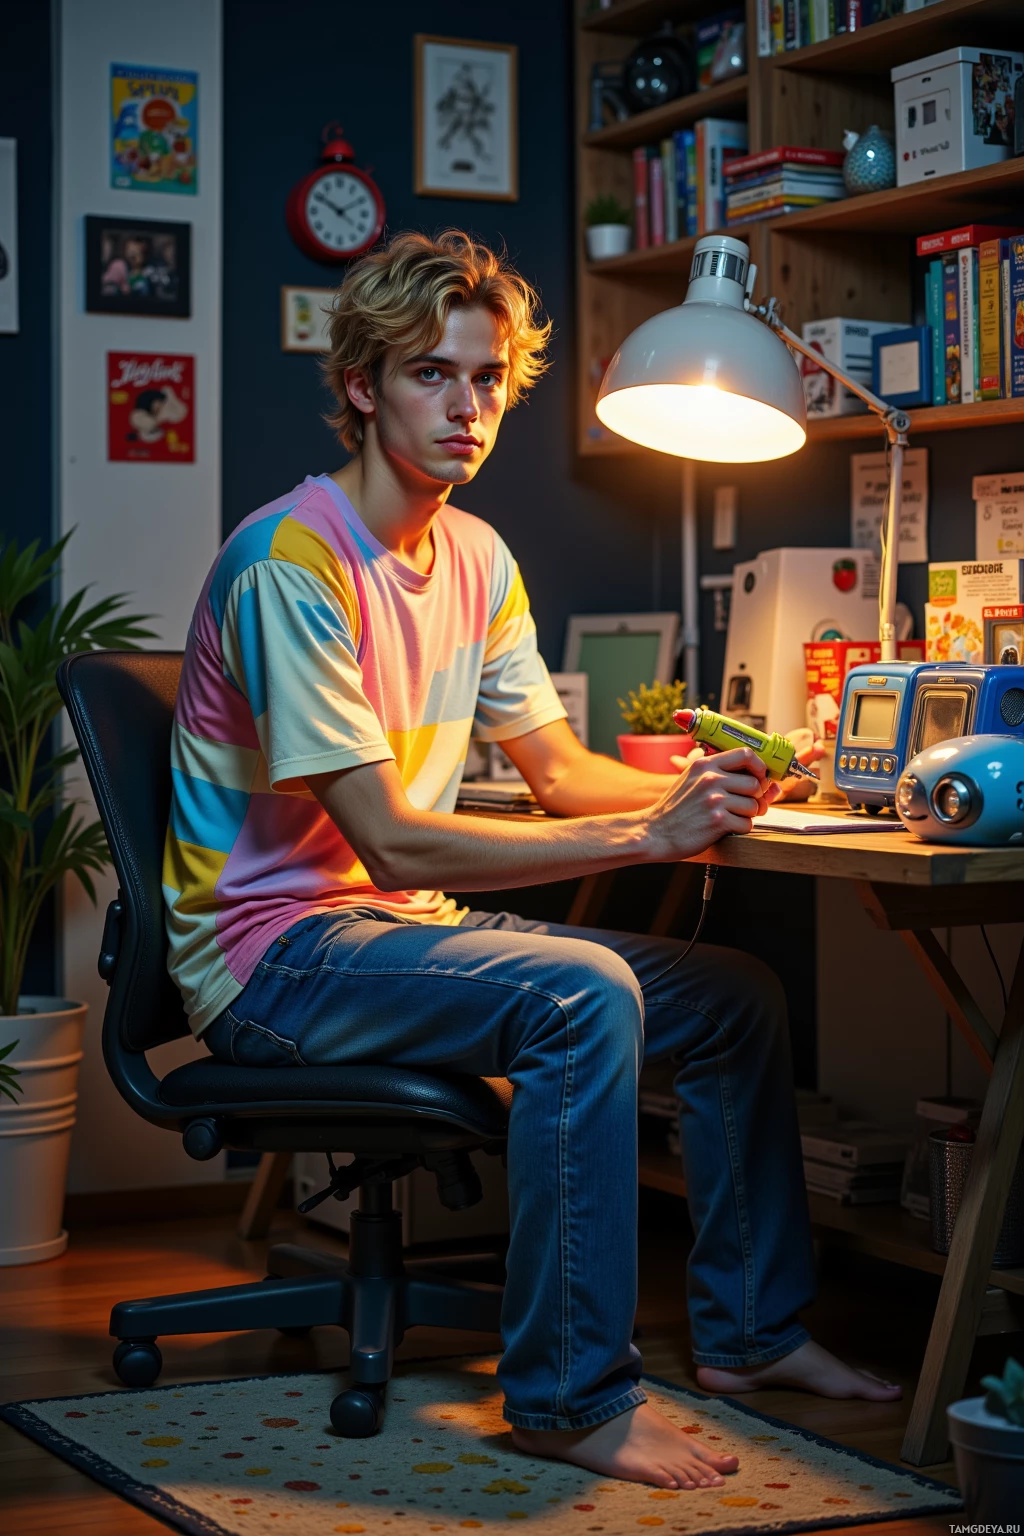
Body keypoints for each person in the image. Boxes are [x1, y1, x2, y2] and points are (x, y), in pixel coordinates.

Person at [164, 230, 900, 1493]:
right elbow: (388, 836)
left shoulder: (477, 557)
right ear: (361, 386)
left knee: (731, 998)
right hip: (271, 960)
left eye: (487, 381)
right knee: (581, 993)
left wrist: (712, 788)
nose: (466, 408)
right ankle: (567, 1397)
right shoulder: (289, 564)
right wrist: (649, 833)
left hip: (392, 932)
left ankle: (750, 1337)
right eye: (430, 376)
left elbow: (558, 771)